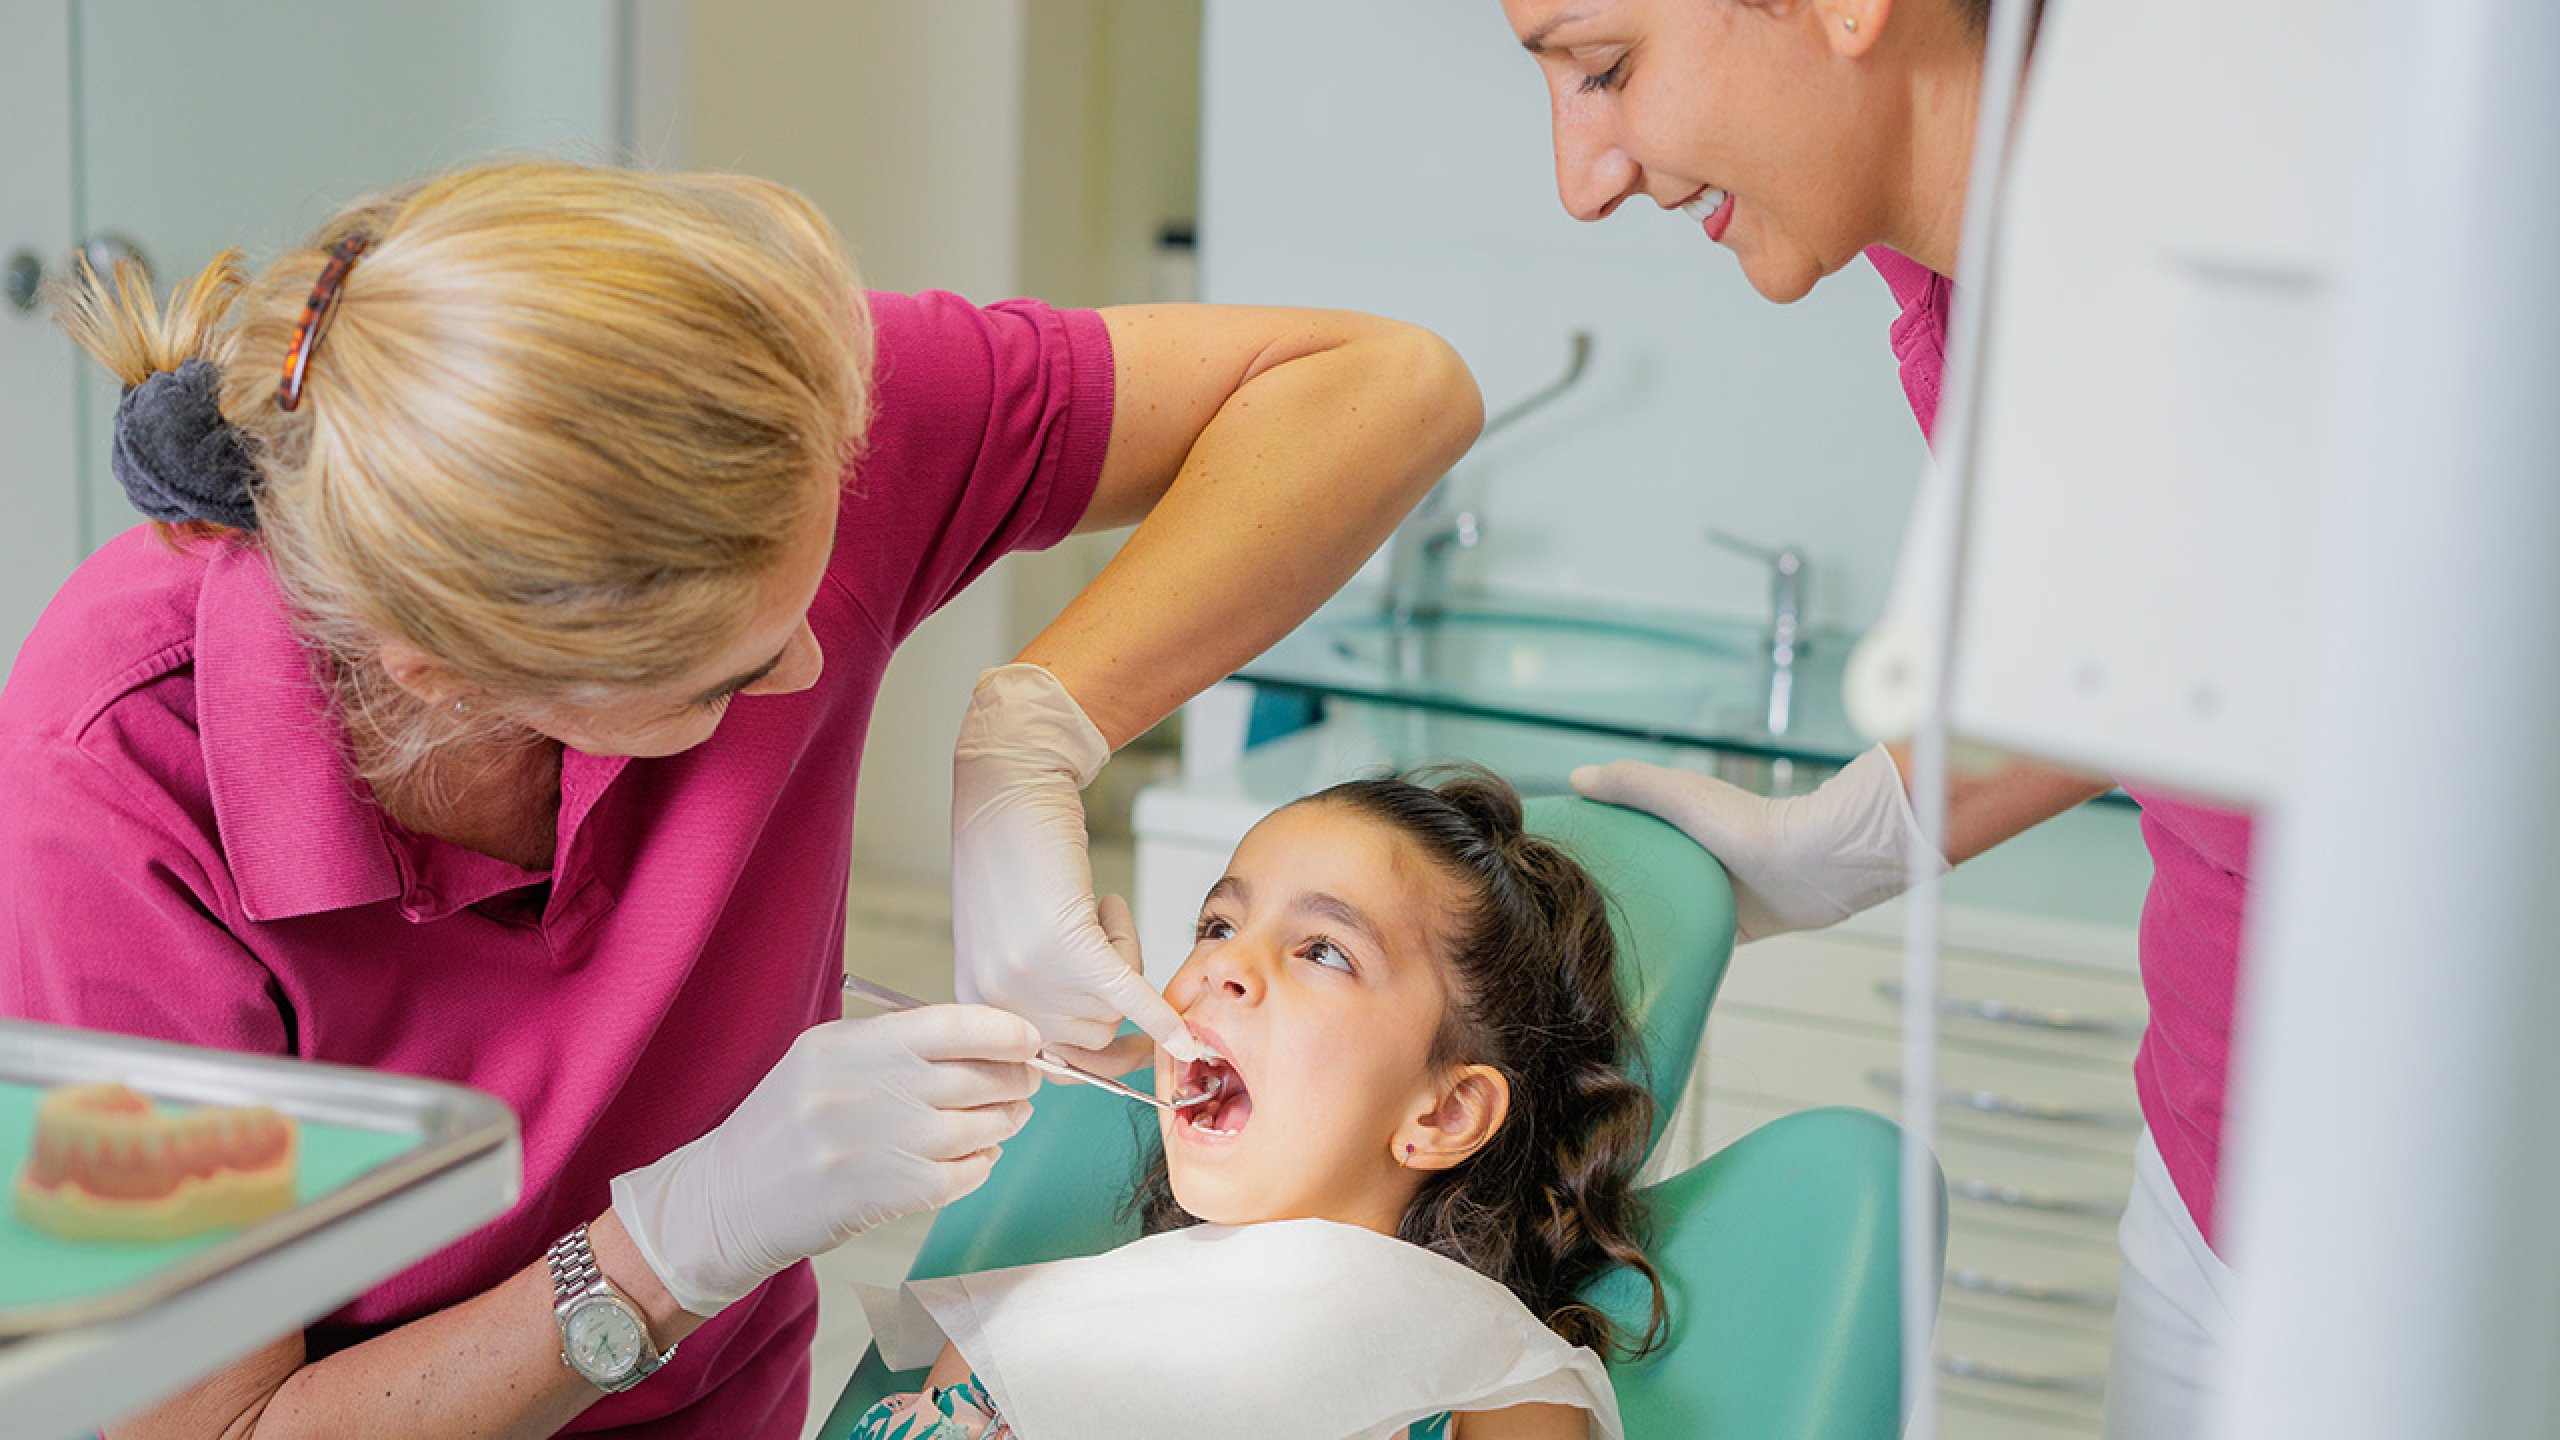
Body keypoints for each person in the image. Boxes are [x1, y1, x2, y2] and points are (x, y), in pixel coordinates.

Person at [0, 158, 1481, 1439]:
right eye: (721, 679)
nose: (816, 671)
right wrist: (669, 1245)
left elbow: (1388, 388)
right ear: (451, 675)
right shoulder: (107, 792)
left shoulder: (760, 424)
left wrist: (1039, 727)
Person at [1494, 3, 2247, 1436]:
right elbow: (2177, 631)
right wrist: (1866, 834)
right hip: (2212, 1157)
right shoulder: (1947, 252)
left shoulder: (2277, 240)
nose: (1579, 177)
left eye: (1605, 69)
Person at [844, 769, 1663, 1440]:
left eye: (1324, 950)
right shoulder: (1011, 1343)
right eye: (1217, 923)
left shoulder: (1493, 1381)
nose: (1225, 965)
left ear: (1444, 1114)